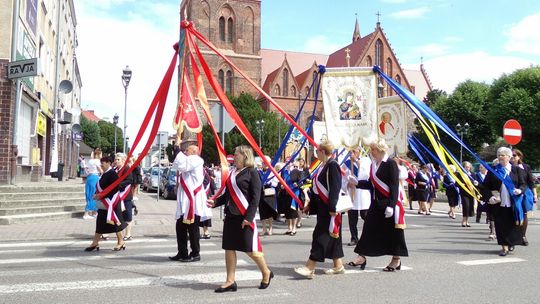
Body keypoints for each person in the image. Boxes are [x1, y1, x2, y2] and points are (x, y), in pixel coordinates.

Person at [209, 145, 273, 292]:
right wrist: (215, 202)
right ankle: (230, 281)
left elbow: (256, 197)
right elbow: (228, 195)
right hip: (231, 216)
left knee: (250, 250)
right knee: (229, 248)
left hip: (244, 217)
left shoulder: (252, 173)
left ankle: (266, 272)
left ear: (244, 156)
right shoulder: (233, 173)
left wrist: (249, 217)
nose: (234, 155)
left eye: (237, 153)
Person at [349, 139, 408, 271]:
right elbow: (372, 184)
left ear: (381, 149)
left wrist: (391, 206)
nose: (371, 152)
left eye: (374, 149)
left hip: (388, 203)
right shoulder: (373, 165)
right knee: (368, 228)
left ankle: (396, 259)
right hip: (376, 203)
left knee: (394, 232)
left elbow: (394, 186)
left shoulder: (390, 164)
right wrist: (357, 183)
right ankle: (361, 256)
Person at [294, 141, 345, 279]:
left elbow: (335, 187)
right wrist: (310, 205)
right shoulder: (323, 166)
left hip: (330, 208)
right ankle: (338, 265)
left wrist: (333, 207)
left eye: (317, 151)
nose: (316, 153)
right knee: (333, 236)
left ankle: (310, 267)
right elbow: (317, 189)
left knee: (320, 236)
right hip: (323, 207)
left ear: (323, 151)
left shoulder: (332, 165)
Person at [169, 145, 212, 263]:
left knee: (193, 229)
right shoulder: (190, 160)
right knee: (180, 227)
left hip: (193, 201)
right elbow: (178, 164)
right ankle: (182, 252)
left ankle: (195, 253)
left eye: (186, 150)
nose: (184, 152)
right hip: (186, 201)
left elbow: (183, 165)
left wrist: (177, 147)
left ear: (194, 152)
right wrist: (176, 148)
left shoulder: (196, 160)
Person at [484, 147, 526, 256]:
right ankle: (504, 247)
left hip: (513, 202)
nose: (500, 157)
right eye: (498, 155)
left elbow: (523, 184)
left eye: (503, 155)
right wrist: (489, 197)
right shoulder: (493, 170)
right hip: (498, 203)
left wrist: (520, 190)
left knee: (512, 225)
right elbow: (485, 187)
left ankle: (511, 242)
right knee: (500, 225)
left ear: (509, 157)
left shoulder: (517, 170)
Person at [85, 156, 128, 252]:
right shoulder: (105, 173)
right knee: (100, 223)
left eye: (103, 163)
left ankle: (121, 242)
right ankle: (95, 242)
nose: (101, 165)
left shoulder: (112, 174)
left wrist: (101, 196)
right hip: (105, 203)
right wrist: (98, 194)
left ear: (108, 163)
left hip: (112, 203)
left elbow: (114, 188)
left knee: (116, 223)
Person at [343, 149, 371, 246]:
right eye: (351, 151)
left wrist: (356, 161)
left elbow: (366, 174)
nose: (352, 153)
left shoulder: (365, 161)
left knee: (366, 216)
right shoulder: (346, 163)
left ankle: (368, 237)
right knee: (352, 219)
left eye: (355, 151)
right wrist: (347, 183)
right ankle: (354, 238)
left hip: (363, 193)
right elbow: (343, 177)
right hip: (352, 193)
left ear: (359, 152)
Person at [512, 149, 537, 246]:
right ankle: (513, 236)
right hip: (512, 192)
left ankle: (523, 235)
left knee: (524, 214)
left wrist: (535, 195)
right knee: (513, 214)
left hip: (525, 192)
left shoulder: (526, 167)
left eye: (514, 155)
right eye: (511, 155)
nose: (512, 157)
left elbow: (531, 182)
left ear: (519, 156)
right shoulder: (508, 167)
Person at [115, 153, 135, 241]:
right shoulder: (116, 169)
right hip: (118, 196)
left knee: (127, 216)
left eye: (118, 159)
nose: (116, 161)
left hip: (126, 196)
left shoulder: (127, 168)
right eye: (115, 159)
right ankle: (121, 234)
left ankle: (128, 234)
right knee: (119, 216)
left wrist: (119, 185)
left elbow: (130, 180)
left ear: (123, 160)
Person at [258, 158, 279, 236]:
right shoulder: (259, 172)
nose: (265, 164)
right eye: (263, 163)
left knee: (270, 211)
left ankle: (270, 228)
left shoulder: (272, 171)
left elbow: (276, 182)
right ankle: (264, 229)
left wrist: (269, 182)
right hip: (261, 193)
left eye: (266, 162)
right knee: (262, 211)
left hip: (270, 193)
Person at [476, 164, 496, 240]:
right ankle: (492, 232)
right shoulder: (490, 174)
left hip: (502, 196)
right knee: (491, 213)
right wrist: (478, 185)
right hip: (490, 196)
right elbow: (485, 186)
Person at [83, 148, 102, 219]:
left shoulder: (90, 161)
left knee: (89, 194)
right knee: (94, 194)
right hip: (95, 177)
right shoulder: (97, 161)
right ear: (99, 154)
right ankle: (86, 213)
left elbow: (86, 169)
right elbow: (101, 170)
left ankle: (94, 212)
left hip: (89, 177)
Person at [457, 161, 477, 227]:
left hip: (471, 193)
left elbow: (476, 183)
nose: (467, 168)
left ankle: (467, 221)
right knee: (466, 206)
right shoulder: (460, 174)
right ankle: (464, 220)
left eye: (468, 167)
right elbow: (456, 183)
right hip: (464, 192)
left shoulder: (473, 174)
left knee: (470, 207)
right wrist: (460, 184)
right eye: (466, 167)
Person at [200, 165, 216, 239]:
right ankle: (206, 232)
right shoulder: (209, 175)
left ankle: (205, 232)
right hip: (206, 196)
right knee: (204, 214)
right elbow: (214, 188)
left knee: (201, 214)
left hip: (202, 196)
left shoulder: (200, 174)